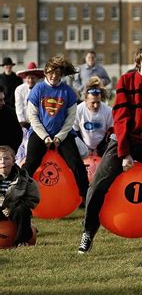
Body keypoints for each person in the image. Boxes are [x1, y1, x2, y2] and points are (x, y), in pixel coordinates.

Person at [78, 38, 142, 254]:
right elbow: (121, 118)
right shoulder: (125, 81)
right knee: (96, 187)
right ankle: (88, 232)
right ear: (139, 61)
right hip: (123, 143)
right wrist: (124, 153)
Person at [23, 56, 89, 200]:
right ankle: (17, 196)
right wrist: (45, 136)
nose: (54, 76)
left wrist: (60, 136)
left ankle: (86, 197)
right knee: (31, 163)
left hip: (63, 135)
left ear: (62, 75)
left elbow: (70, 119)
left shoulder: (68, 92)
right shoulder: (37, 89)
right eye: (51, 72)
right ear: (46, 71)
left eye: (57, 74)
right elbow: (32, 117)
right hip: (39, 133)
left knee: (77, 163)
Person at [0, 145, 40, 247]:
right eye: (0, 159)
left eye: (6, 158)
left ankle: (22, 240)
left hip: (14, 210)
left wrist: (12, 207)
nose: (3, 161)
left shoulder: (24, 179)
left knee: (23, 209)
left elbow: (33, 198)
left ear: (14, 161)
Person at [73, 76, 113, 156]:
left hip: (102, 147)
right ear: (86, 100)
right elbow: (76, 131)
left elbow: (110, 132)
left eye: (98, 102)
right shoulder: (78, 110)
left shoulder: (108, 111)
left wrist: (98, 148)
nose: (96, 105)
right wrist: (85, 147)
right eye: (93, 102)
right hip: (83, 147)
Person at [14, 62, 45, 164]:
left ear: (37, 78)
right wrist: (22, 123)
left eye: (33, 78)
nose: (30, 80)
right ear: (25, 78)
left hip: (38, 123)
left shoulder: (42, 89)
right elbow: (19, 108)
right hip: (24, 123)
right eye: (29, 78)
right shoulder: (20, 89)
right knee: (22, 144)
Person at [0, 86, 23, 154]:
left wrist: (10, 151)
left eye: (3, 99)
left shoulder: (9, 112)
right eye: (0, 100)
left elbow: (18, 134)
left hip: (6, 152)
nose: (3, 102)